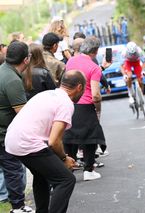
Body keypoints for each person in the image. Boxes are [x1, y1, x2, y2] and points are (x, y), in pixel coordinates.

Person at [5, 70, 86, 213]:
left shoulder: (46, 94)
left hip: (12, 139)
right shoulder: (66, 103)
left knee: (42, 175)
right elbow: (54, 141)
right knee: (66, 180)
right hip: (28, 143)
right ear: (79, 87)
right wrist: (64, 158)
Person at [64, 36, 106, 181]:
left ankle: (68, 169)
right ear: (95, 51)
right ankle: (89, 170)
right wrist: (98, 109)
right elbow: (95, 95)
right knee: (90, 138)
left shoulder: (70, 61)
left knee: (69, 137)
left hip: (69, 104)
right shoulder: (94, 67)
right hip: (86, 106)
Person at [0, 41, 33, 213]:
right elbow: (23, 114)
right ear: (26, 59)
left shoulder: (3, 71)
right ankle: (18, 207)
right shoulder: (12, 79)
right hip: (5, 135)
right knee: (13, 171)